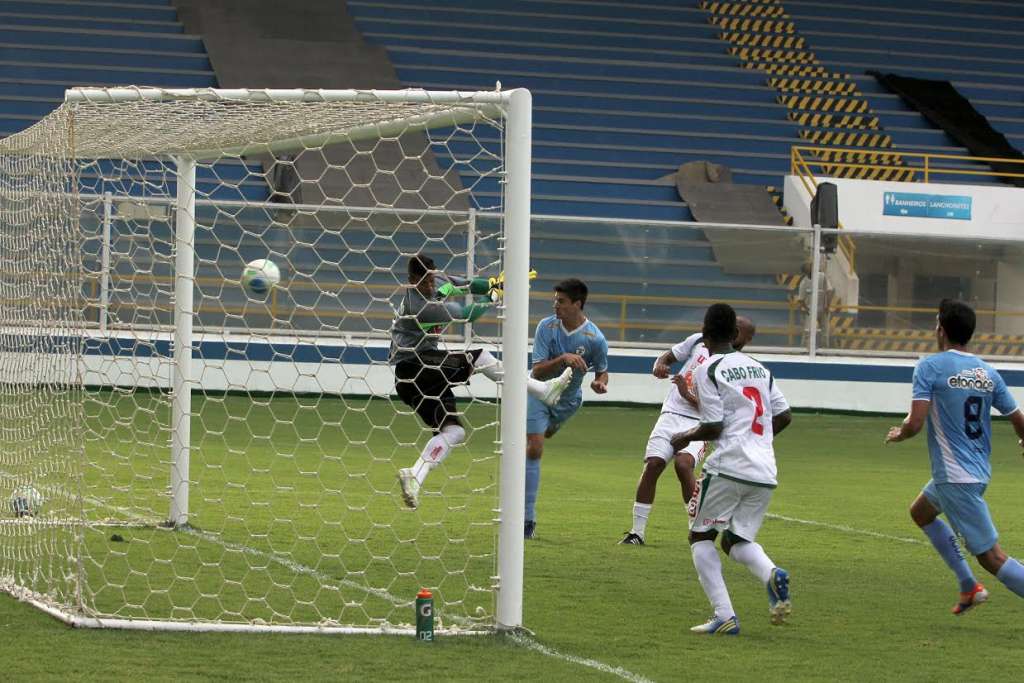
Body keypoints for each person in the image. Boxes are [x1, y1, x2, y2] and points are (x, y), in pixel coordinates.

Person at [393, 254, 572, 509]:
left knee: (454, 431)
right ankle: (542, 390)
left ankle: (414, 476)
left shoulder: (436, 284)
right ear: (411, 280)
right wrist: (496, 295)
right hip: (413, 368)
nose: (431, 286)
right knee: (479, 357)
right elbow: (467, 314)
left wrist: (496, 282)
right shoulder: (420, 307)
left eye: (432, 280)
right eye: (425, 282)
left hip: (422, 376)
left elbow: (465, 284)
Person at [885, 299, 1024, 614]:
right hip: (975, 472)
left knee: (992, 558)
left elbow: (916, 422)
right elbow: (1018, 417)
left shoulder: (929, 367)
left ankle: (975, 582)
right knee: (921, 512)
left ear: (941, 330)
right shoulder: (988, 373)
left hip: (955, 478)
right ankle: (968, 586)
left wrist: (901, 433)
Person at [671, 303, 793, 635]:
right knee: (735, 540)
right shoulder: (759, 368)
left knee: (700, 535)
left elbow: (711, 425)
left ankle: (724, 616)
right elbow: (784, 415)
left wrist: (682, 436)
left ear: (704, 333)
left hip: (729, 466)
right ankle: (771, 572)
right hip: (764, 470)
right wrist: (760, 441)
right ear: (736, 334)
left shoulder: (708, 368)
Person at [619, 317, 756, 546]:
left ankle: (698, 530)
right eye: (732, 325)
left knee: (683, 465)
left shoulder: (736, 367)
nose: (732, 329)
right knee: (653, 464)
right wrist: (659, 366)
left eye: (739, 329)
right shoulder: (698, 341)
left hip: (701, 424)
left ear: (746, 338)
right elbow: (667, 356)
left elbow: (718, 412)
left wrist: (687, 394)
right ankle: (637, 533)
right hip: (670, 415)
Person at [525, 278, 609, 539]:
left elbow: (603, 373)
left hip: (568, 403)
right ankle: (527, 520)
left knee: (543, 437)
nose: (555, 305)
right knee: (535, 447)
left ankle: (537, 438)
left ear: (577, 304)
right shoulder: (545, 327)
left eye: (561, 301)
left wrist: (599, 383)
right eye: (555, 300)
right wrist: (563, 358)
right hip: (539, 394)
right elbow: (537, 371)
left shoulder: (595, 339)